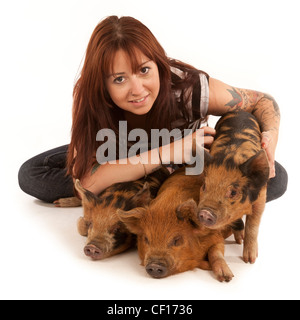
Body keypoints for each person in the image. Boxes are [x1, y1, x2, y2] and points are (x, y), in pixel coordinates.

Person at [18, 16, 287, 204]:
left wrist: (271, 135)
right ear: (103, 84)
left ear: (158, 64)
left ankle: (153, 194)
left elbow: (261, 101)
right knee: (31, 174)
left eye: (144, 70)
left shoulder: (188, 88)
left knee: (275, 178)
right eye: (119, 79)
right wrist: (170, 151)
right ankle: (144, 190)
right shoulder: (91, 97)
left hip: (185, 167)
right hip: (119, 157)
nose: (137, 89)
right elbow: (87, 181)